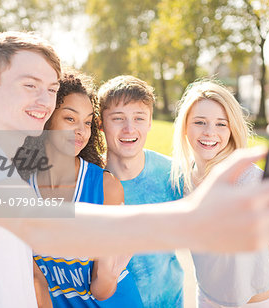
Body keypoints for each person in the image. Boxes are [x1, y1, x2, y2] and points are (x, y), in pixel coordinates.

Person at [0, 31, 269, 308]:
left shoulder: (9, 166)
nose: (44, 100)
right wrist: (190, 220)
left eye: (51, 88)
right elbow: (45, 227)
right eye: (29, 85)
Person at [171, 80, 269, 307]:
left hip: (260, 302)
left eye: (221, 124)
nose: (210, 132)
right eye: (200, 122)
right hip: (208, 300)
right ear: (185, 126)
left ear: (231, 129)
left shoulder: (249, 180)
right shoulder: (181, 180)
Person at [30, 71, 142, 307]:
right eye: (70, 119)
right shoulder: (21, 188)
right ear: (46, 118)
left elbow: (102, 289)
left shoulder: (105, 187)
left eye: (88, 122)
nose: (81, 130)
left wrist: (110, 270)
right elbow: (36, 279)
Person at [98, 75, 184, 307]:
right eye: (118, 118)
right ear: (101, 123)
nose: (129, 128)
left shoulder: (173, 174)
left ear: (149, 122)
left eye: (139, 118)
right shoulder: (88, 181)